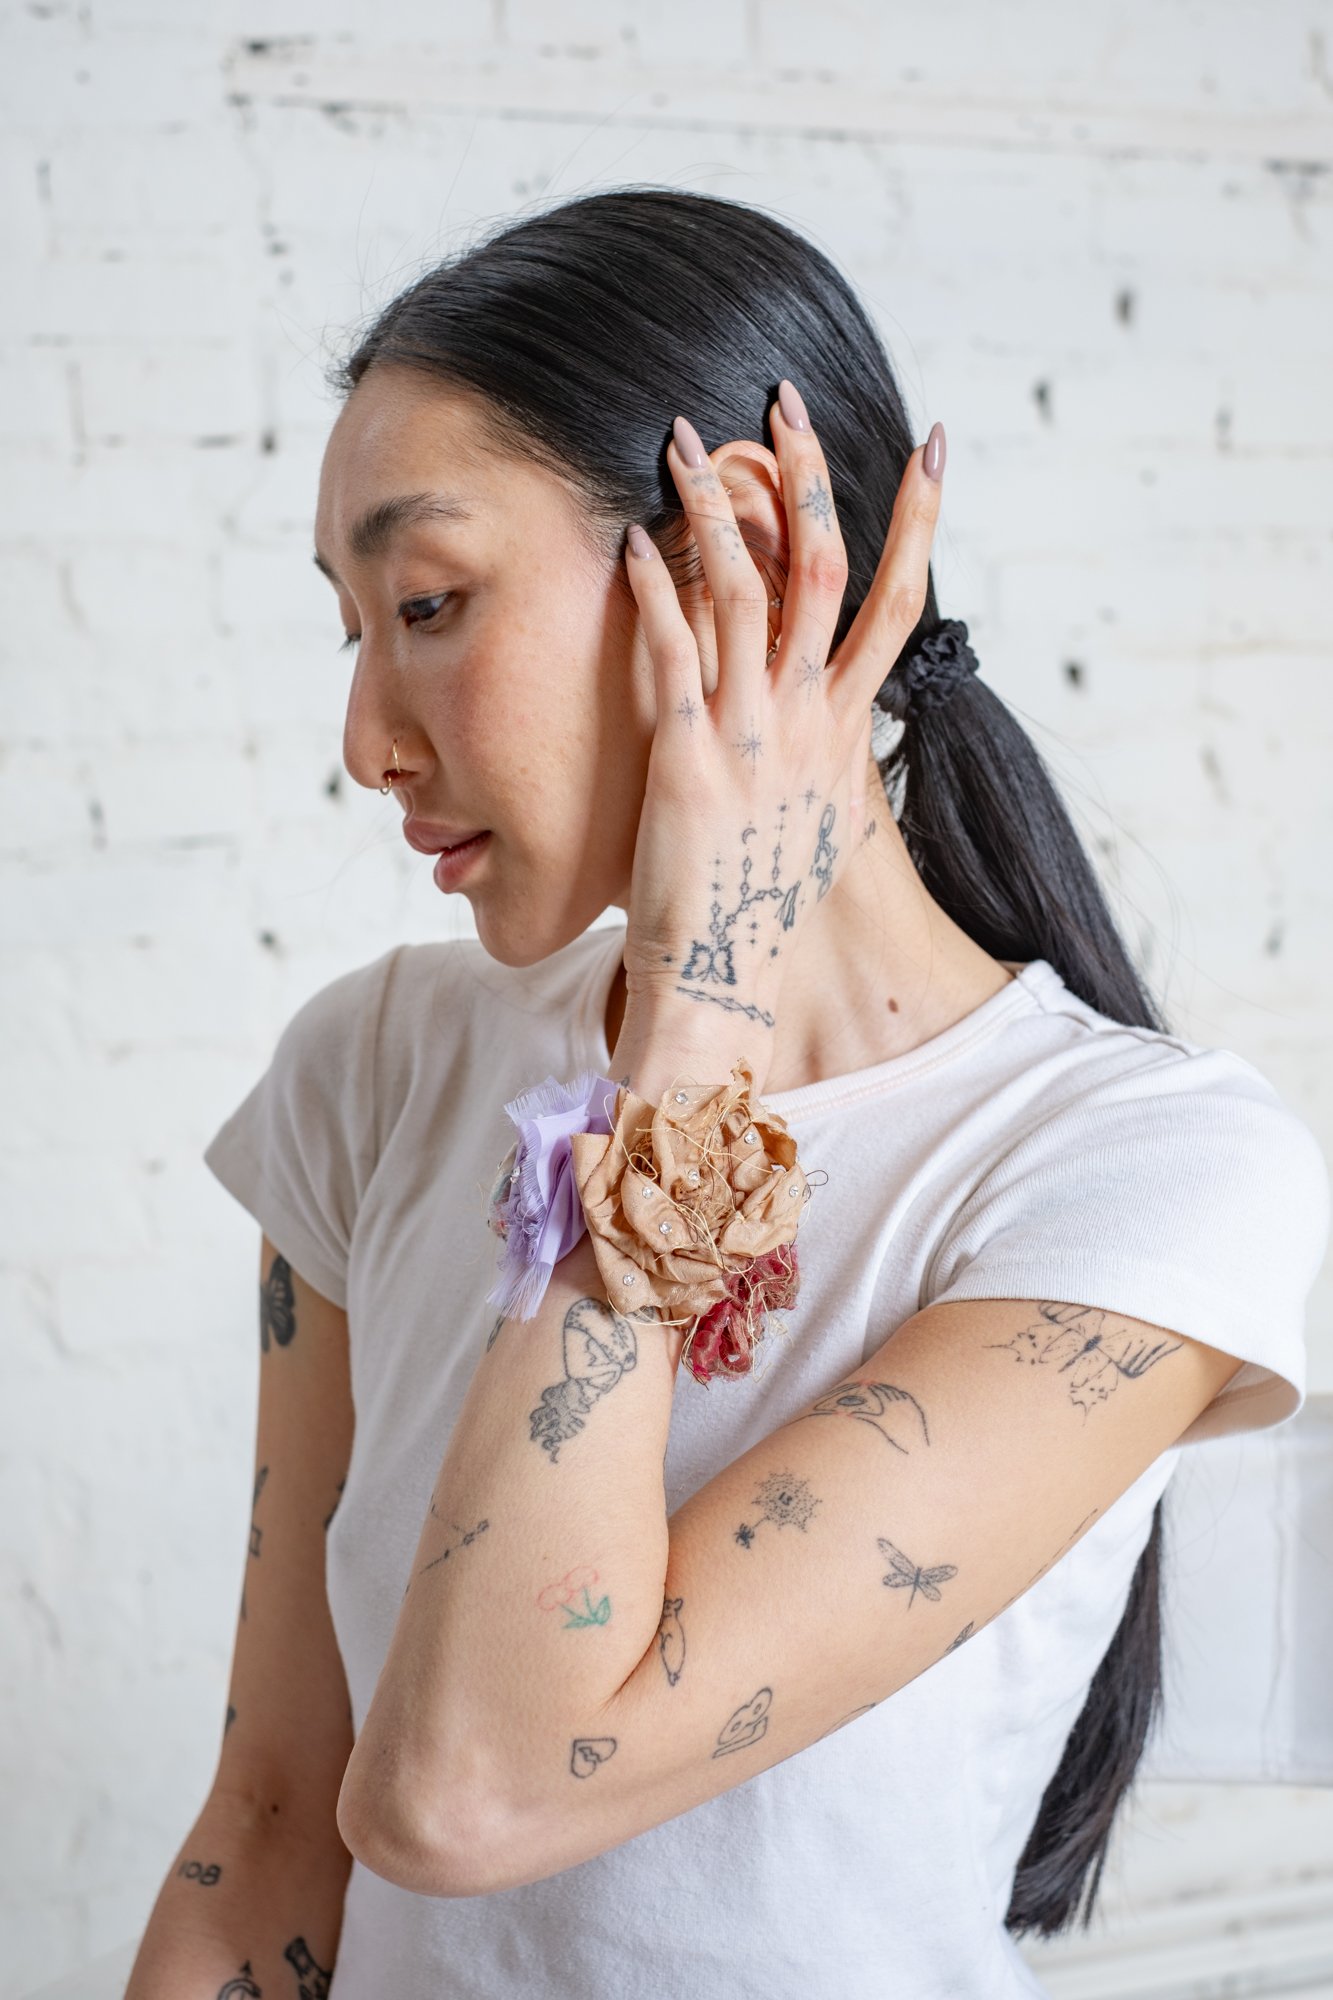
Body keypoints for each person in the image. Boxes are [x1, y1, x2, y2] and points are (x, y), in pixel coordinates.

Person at [126, 189, 1329, 2000]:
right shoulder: (371, 1069)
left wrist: (696, 1021)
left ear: (735, 547)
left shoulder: (1145, 1172)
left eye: (429, 604)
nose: (366, 740)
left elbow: (471, 1785)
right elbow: (274, 1821)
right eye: (353, 630)